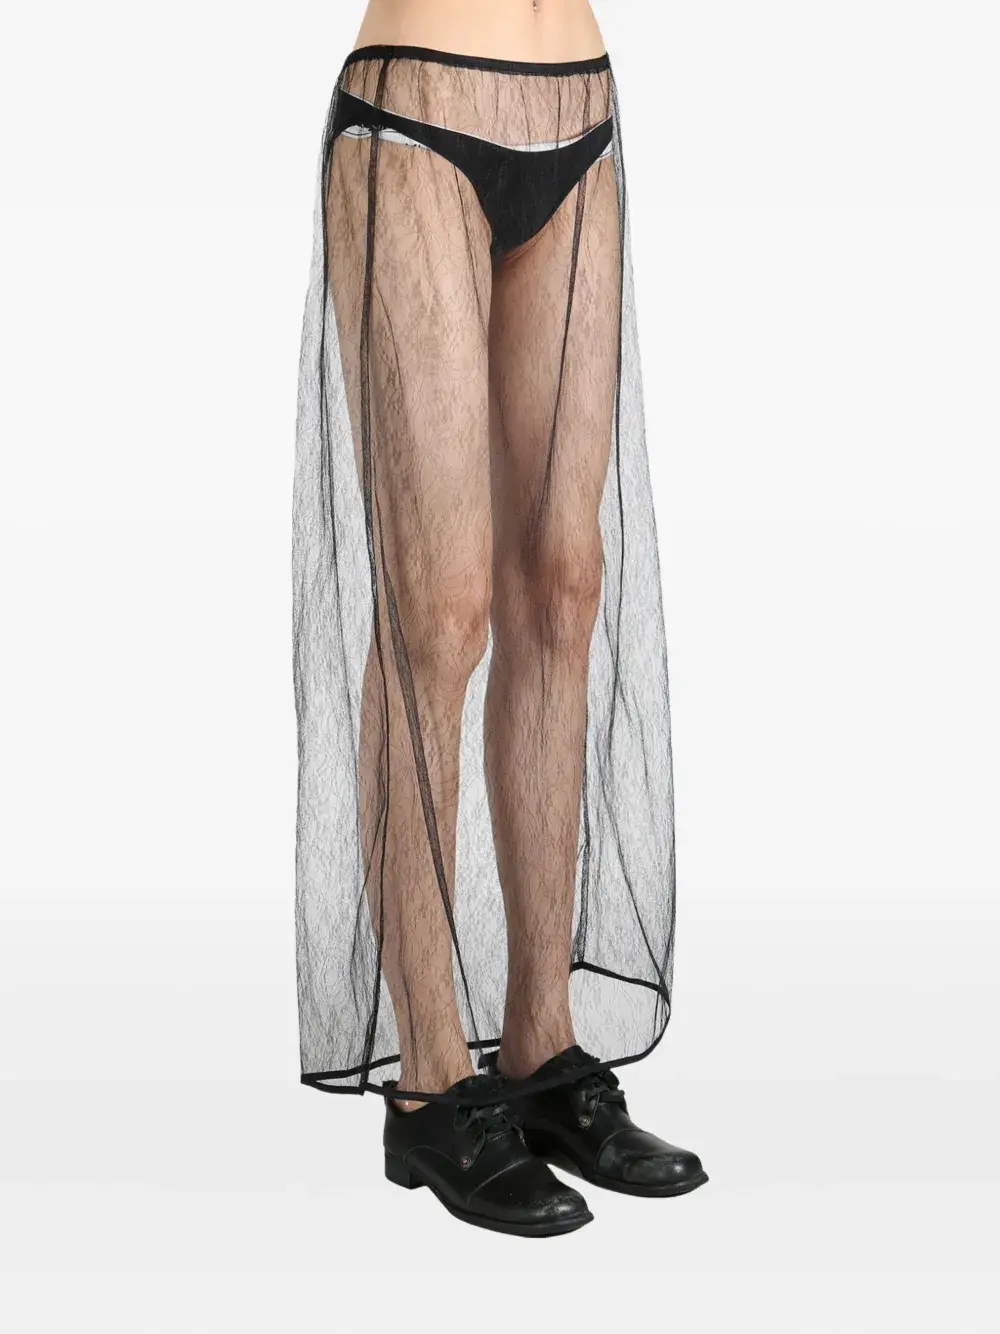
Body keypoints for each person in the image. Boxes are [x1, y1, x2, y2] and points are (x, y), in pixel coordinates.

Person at [292, 0, 707, 1236]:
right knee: (438, 607)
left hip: (580, 104)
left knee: (563, 584)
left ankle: (541, 1045)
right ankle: (430, 1081)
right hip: (414, 115)